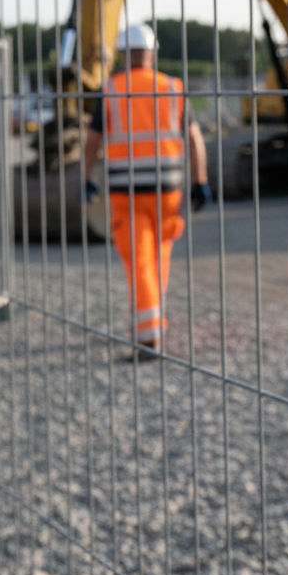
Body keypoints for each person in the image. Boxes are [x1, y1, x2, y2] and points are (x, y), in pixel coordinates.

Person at [84, 23, 211, 359]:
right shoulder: (172, 87)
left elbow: (92, 141)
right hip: (167, 190)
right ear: (152, 53)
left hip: (126, 192)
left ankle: (147, 337)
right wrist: (200, 181)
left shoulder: (111, 89)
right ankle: (154, 317)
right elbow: (194, 138)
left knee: (139, 258)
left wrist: (87, 177)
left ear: (122, 55)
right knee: (159, 255)